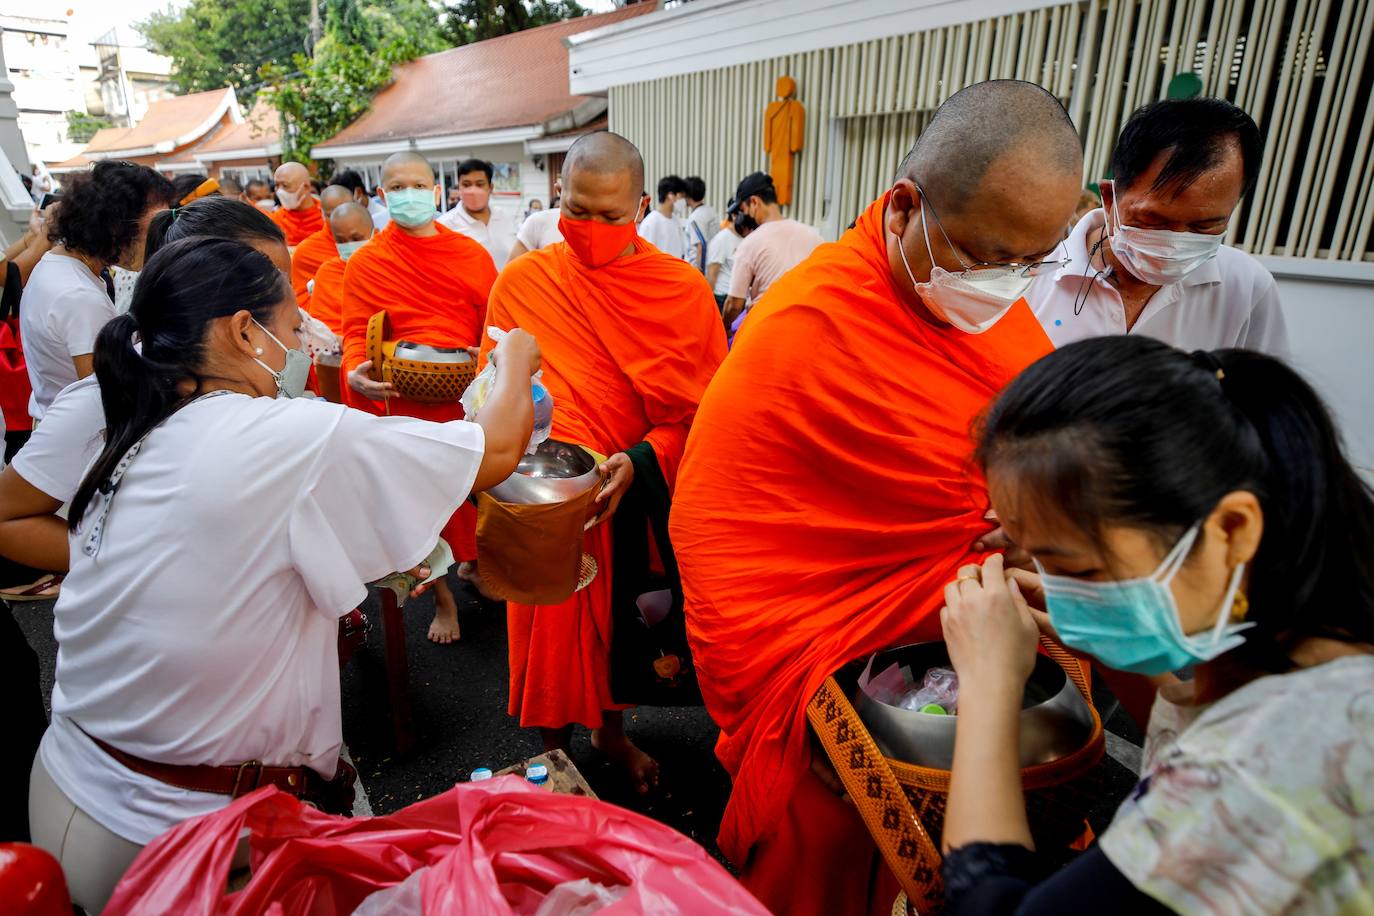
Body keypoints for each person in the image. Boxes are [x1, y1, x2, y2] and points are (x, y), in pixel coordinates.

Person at [23, 235, 540, 912]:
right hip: (180, 835)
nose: (304, 345)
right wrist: (517, 356)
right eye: (294, 327)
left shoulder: (145, 427)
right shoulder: (277, 434)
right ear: (244, 330)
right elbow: (497, 450)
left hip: (75, 781)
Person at [670, 80, 1083, 915]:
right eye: (986, 256)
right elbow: (718, 533)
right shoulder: (805, 325)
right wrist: (806, 700)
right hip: (826, 675)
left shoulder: (999, 318)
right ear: (904, 207)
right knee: (823, 859)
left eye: (1032, 262)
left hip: (972, 655)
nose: (1006, 283)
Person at [939, 336, 1373, 915]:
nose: (1064, 595)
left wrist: (990, 683)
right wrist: (1108, 633)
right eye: (1041, 563)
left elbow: (994, 902)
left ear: (1233, 529)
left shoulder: (1282, 759)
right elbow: (1193, 740)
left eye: (1080, 569)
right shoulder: (1307, 645)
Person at [482, 130, 726, 792]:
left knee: (620, 635)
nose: (591, 228)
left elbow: (701, 413)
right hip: (543, 498)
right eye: (577, 212)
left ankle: (611, 734)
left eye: (611, 216)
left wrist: (643, 457)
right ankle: (554, 754)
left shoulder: (678, 291)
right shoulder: (524, 282)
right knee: (547, 636)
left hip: (627, 493)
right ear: (558, 198)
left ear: (642, 205)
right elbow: (492, 392)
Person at [341, 151, 498, 644]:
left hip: (462, 399)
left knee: (475, 494)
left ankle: (472, 566)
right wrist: (355, 375)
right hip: (401, 399)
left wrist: (487, 358)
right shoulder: (368, 261)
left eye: (418, 185)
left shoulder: (471, 254)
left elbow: (492, 327)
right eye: (397, 187)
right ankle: (444, 598)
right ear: (384, 197)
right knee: (421, 509)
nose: (408, 194)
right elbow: (353, 337)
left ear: (435, 192)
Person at [1027, 98, 1288, 356]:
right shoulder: (1030, 278)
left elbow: (1265, 395)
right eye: (1152, 220)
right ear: (1109, 198)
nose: (1174, 243)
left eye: (1204, 226)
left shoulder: (1245, 287)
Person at [21, 161, 174, 425]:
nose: (159, 241)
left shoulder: (57, 266)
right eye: (154, 229)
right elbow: (108, 400)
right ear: (116, 227)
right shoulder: (78, 296)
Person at [721, 171, 824, 330]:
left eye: (743, 209)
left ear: (754, 202)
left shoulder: (750, 244)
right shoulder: (814, 237)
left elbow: (734, 304)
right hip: (808, 328)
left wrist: (724, 326)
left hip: (766, 329)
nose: (743, 216)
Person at [437, 158, 519, 269]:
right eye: (466, 185)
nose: (472, 190)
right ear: (459, 187)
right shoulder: (445, 225)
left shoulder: (505, 217)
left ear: (490, 188)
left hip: (507, 285)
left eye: (479, 184)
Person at [307, 202, 373, 337]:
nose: (349, 245)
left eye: (356, 238)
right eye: (342, 241)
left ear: (375, 233)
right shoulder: (327, 272)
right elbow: (320, 328)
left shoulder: (390, 266)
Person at [289, 185, 354, 308]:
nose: (340, 218)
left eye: (345, 210)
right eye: (332, 214)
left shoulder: (373, 239)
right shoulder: (306, 252)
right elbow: (303, 302)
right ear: (322, 214)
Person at [705, 208, 754, 311]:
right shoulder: (721, 240)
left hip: (740, 298)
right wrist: (708, 305)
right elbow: (712, 274)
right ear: (734, 216)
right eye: (747, 228)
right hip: (723, 297)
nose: (749, 232)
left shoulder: (745, 238)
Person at [270, 162, 324, 247]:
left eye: (285, 185)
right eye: (277, 185)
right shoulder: (274, 221)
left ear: (306, 187)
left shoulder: (326, 217)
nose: (280, 191)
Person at [509, 181, 564, 261]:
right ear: (560, 190)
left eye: (539, 208)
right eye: (535, 207)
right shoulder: (536, 222)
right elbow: (513, 267)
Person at [637, 175, 687, 259]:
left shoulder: (676, 220)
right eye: (681, 196)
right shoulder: (651, 222)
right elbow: (643, 256)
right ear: (670, 195)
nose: (684, 201)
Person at [682, 176, 719, 272]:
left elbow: (700, 246)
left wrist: (698, 272)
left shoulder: (695, 218)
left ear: (688, 196)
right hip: (711, 264)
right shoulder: (711, 211)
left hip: (696, 270)